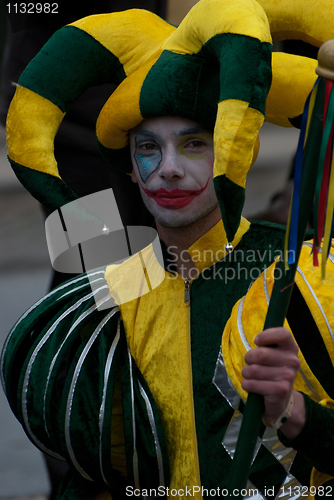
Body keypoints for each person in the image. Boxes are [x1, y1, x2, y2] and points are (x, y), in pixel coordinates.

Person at [2, 1, 334, 498]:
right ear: (131, 166)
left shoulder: (307, 275)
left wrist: (295, 413)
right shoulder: (106, 291)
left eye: (195, 144)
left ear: (234, 147)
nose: (169, 169)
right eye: (148, 149)